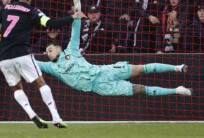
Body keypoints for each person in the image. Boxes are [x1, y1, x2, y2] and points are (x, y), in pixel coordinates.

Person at [0, 0, 85, 129]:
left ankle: (32, 114)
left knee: (16, 87)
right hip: (22, 54)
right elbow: (51, 23)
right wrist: (73, 17)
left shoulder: (5, 8)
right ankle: (56, 117)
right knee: (40, 82)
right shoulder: (32, 11)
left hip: (5, 57)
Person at [37, 14, 192, 97]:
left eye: (50, 50)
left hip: (104, 70)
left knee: (140, 69)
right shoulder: (51, 67)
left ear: (59, 48)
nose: (48, 53)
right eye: (47, 52)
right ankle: (177, 90)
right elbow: (32, 62)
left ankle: (177, 68)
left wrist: (77, 14)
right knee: (139, 90)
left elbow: (76, 31)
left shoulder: (71, 50)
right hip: (100, 86)